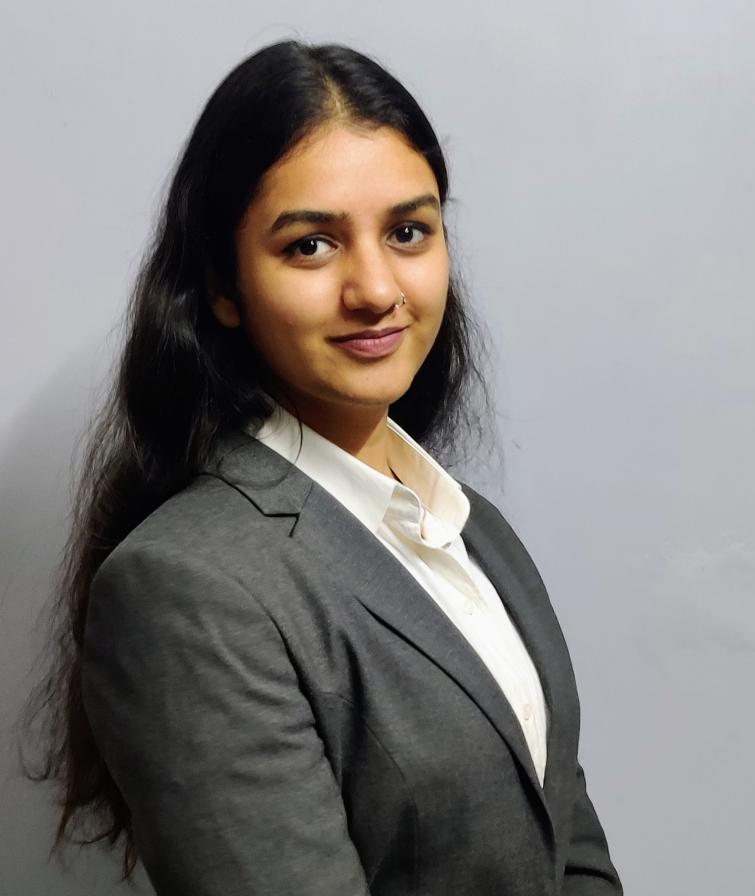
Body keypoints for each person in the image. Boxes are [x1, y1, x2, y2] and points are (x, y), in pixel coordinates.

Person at [21, 40, 622, 895]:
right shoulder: (185, 586)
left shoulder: (470, 529)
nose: (375, 289)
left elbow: (571, 849)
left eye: (408, 232)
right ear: (222, 286)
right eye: (310, 246)